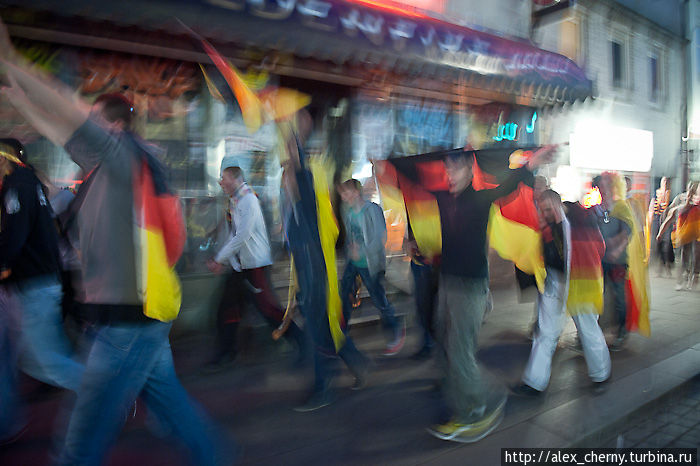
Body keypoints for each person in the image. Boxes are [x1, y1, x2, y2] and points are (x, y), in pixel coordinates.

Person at [0, 24, 226, 464]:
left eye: (97, 123)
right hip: (138, 317)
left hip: (125, 322)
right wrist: (20, 98)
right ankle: (214, 457)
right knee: (175, 411)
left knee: (79, 440)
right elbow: (63, 127)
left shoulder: (124, 156)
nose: (88, 131)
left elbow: (68, 112)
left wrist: (12, 61)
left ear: (114, 127)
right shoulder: (110, 166)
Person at [426, 146, 554, 443]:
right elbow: (417, 182)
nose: (450, 175)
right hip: (447, 283)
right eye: (447, 169)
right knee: (443, 342)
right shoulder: (445, 198)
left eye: (455, 169)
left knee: (460, 352)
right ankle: (461, 394)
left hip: (470, 287)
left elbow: (509, 185)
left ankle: (480, 406)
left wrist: (528, 165)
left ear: (469, 171)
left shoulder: (480, 199)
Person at [281, 120, 368, 412]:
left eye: (291, 148)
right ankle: (357, 365)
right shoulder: (298, 188)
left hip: (316, 269)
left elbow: (305, 187)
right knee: (325, 327)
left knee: (319, 330)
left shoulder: (307, 181)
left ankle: (324, 388)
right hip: (309, 268)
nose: (286, 153)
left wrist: (295, 150)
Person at [0, 139, 83, 442]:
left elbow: (15, 235)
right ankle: (6, 423)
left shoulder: (18, 186)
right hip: (29, 282)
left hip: (34, 283)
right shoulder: (25, 184)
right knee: (16, 357)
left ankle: (105, 396)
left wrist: (3, 263)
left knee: (46, 359)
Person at [512, 190, 611, 396]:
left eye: (548, 209)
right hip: (555, 282)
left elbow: (599, 247)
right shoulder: (544, 227)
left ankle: (601, 373)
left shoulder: (581, 217)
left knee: (588, 328)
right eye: (542, 209)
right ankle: (534, 382)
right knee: (546, 332)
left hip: (581, 279)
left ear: (558, 203)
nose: (545, 213)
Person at [206, 164, 305, 369]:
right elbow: (235, 234)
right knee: (227, 308)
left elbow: (242, 235)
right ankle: (226, 352)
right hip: (241, 267)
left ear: (235, 178)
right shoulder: (236, 200)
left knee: (268, 310)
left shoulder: (248, 200)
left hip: (254, 267)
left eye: (224, 178)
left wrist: (219, 259)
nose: (221, 182)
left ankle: (304, 344)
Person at [337, 178, 405, 356]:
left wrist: (363, 252)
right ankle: (341, 335)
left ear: (355, 192)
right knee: (344, 294)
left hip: (370, 264)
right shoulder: (349, 212)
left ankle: (395, 332)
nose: (343, 197)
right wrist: (350, 251)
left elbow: (380, 238)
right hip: (354, 262)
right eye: (342, 194)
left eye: (345, 193)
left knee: (379, 300)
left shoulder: (372, 210)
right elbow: (352, 236)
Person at [593, 174, 631, 351]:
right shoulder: (597, 208)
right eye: (600, 185)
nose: (603, 188)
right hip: (600, 260)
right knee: (600, 294)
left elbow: (627, 232)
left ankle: (622, 331)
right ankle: (598, 329)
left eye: (606, 184)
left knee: (618, 295)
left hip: (618, 260)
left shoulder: (621, 206)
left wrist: (615, 248)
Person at [404, 226, 438, 360]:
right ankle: (429, 342)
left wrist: (425, 244)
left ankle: (431, 344)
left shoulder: (431, 205)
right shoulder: (412, 207)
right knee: (422, 305)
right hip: (418, 261)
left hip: (430, 261)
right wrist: (407, 242)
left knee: (427, 305)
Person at [657, 181, 699, 291]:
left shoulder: (697, 204)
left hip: (695, 235)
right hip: (682, 235)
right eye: (691, 188)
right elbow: (669, 217)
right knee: (682, 258)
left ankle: (693, 278)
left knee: (695, 257)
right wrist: (660, 233)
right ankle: (682, 280)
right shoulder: (680, 200)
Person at [648, 176, 673, 276]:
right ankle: (660, 266)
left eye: (667, 182)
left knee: (666, 244)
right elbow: (652, 209)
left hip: (666, 221)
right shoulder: (656, 195)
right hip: (657, 220)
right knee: (657, 243)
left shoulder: (670, 195)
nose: (666, 184)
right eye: (664, 182)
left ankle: (666, 265)